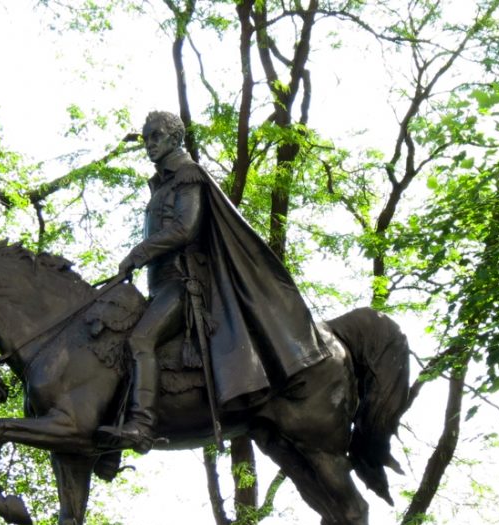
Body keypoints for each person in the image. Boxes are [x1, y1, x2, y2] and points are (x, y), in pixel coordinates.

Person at [98, 111, 329, 453]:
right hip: (160, 287)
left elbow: (185, 228)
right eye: (147, 138)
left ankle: (142, 426)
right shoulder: (162, 184)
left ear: (175, 138)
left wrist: (137, 254)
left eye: (156, 136)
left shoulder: (187, 175)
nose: (149, 144)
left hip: (184, 284)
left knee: (141, 340)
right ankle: (110, 447)